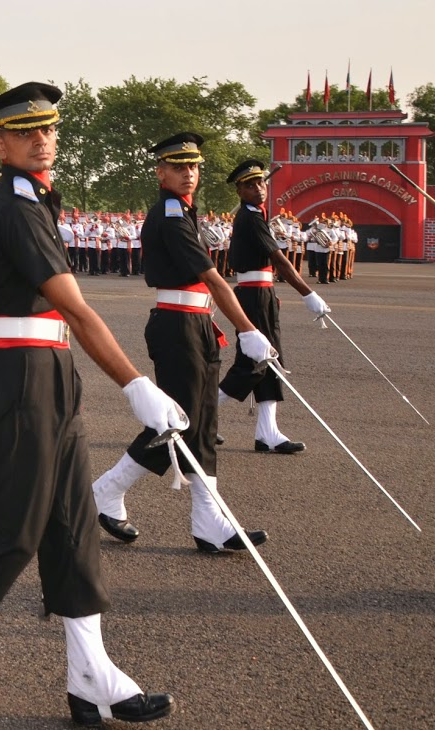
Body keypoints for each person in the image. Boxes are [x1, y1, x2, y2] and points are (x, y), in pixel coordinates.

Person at [0, 82, 177, 725]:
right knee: (15, 524)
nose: (42, 139)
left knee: (72, 523)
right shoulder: (16, 206)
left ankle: (90, 673)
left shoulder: (36, 197)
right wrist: (135, 384)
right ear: (1, 144)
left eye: (48, 129)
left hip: (49, 369)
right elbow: (74, 305)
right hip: (20, 374)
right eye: (26, 132)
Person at [91, 132, 274, 554]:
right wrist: (248, 329)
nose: (188, 173)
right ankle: (106, 490)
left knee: (203, 424)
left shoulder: (185, 212)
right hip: (177, 326)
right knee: (176, 423)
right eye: (178, 167)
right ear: (161, 173)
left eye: (193, 166)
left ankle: (209, 522)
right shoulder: (171, 215)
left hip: (195, 323)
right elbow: (212, 277)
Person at [218, 160, 330, 453]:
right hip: (254, 296)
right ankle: (198, 417)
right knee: (252, 364)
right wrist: (307, 293)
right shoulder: (251, 218)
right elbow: (279, 260)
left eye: (261, 183)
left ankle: (268, 433)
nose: (259, 188)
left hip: (261, 294)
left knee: (270, 362)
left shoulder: (255, 215)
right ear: (240, 191)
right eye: (250, 185)